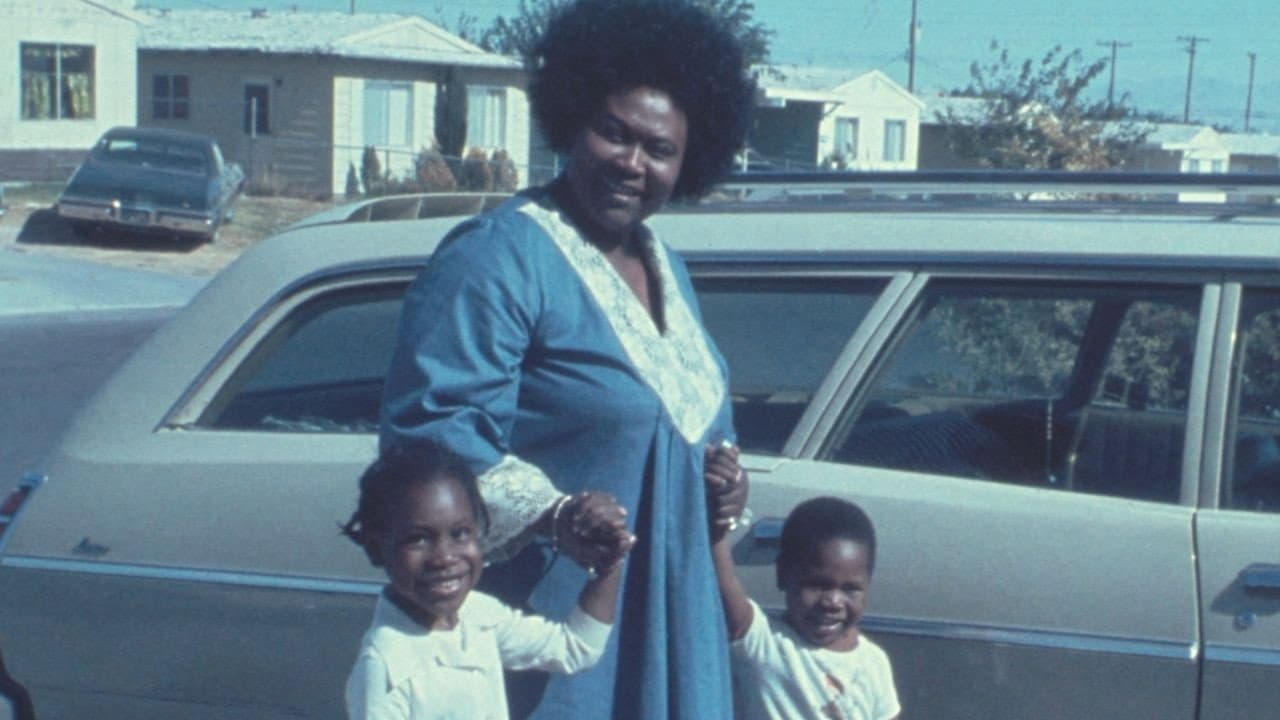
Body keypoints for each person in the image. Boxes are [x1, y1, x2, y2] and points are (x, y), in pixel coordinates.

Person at [378, 0, 755, 715]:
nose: (632, 164)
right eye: (613, 133)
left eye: (660, 149)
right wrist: (557, 515)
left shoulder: (667, 268)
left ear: (691, 161)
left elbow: (698, 431)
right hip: (557, 640)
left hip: (678, 631)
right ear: (572, 118)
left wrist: (727, 491)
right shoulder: (499, 256)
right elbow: (430, 443)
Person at [341, 444, 633, 719]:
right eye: (418, 539)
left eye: (460, 534)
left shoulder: (479, 616)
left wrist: (609, 565)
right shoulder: (386, 666)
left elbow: (575, 648)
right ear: (378, 549)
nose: (444, 557)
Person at [706, 447, 900, 720]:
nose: (832, 601)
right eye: (818, 585)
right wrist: (718, 522)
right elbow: (721, 579)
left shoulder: (874, 663)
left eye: (850, 589)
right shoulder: (765, 644)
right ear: (783, 575)